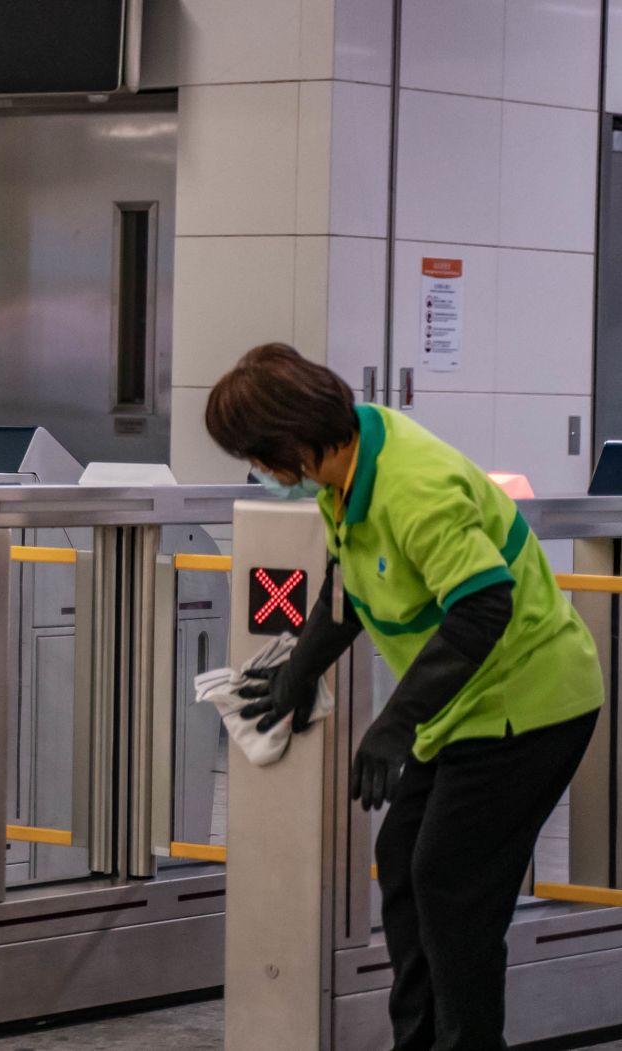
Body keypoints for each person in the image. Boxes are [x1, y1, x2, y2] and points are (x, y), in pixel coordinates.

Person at [205, 343, 601, 1051]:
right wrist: (299, 668)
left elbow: (484, 607)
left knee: (449, 883)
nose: (260, 472)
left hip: (528, 702)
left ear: (294, 440)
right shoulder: (345, 469)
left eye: (259, 457)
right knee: (407, 864)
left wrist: (391, 726)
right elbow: (348, 585)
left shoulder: (414, 485)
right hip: (457, 705)